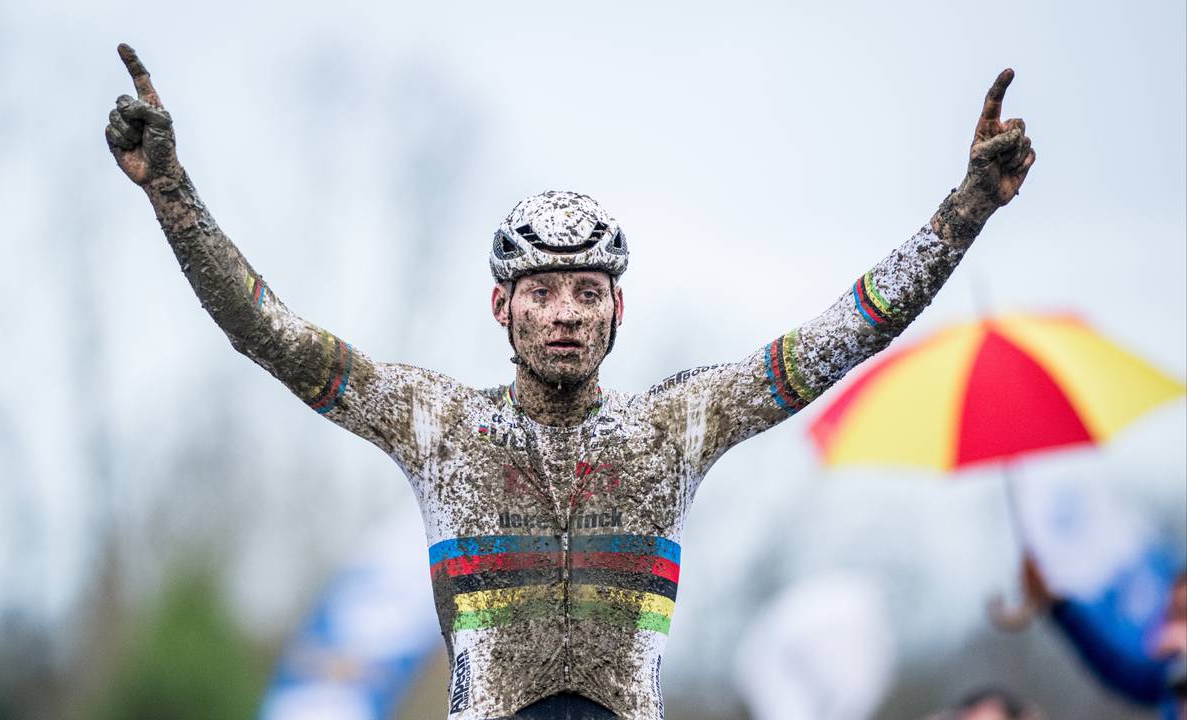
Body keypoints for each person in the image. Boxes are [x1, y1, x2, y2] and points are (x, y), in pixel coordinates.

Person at [105, 43, 1035, 720]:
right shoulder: (438, 423)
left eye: (588, 291)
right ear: (500, 308)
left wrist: (966, 211)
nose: (564, 313)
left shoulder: (676, 425)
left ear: (618, 311)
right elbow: (271, 336)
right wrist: (171, 193)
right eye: (540, 292)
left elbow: (842, 335)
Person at [1007, 555, 1186, 720]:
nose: (1175, 627)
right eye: (1174, 614)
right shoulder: (1170, 674)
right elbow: (1117, 665)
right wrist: (1059, 606)